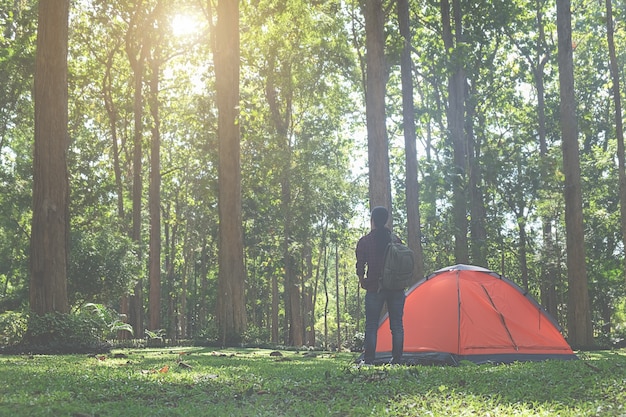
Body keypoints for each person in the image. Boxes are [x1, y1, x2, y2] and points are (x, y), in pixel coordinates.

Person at [355, 206, 405, 365]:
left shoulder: (366, 241)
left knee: (371, 325)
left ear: (373, 220)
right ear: (386, 220)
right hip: (396, 288)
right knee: (397, 326)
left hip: (375, 287)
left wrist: (362, 280)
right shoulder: (396, 240)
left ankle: (369, 360)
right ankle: (397, 360)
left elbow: (360, 264)